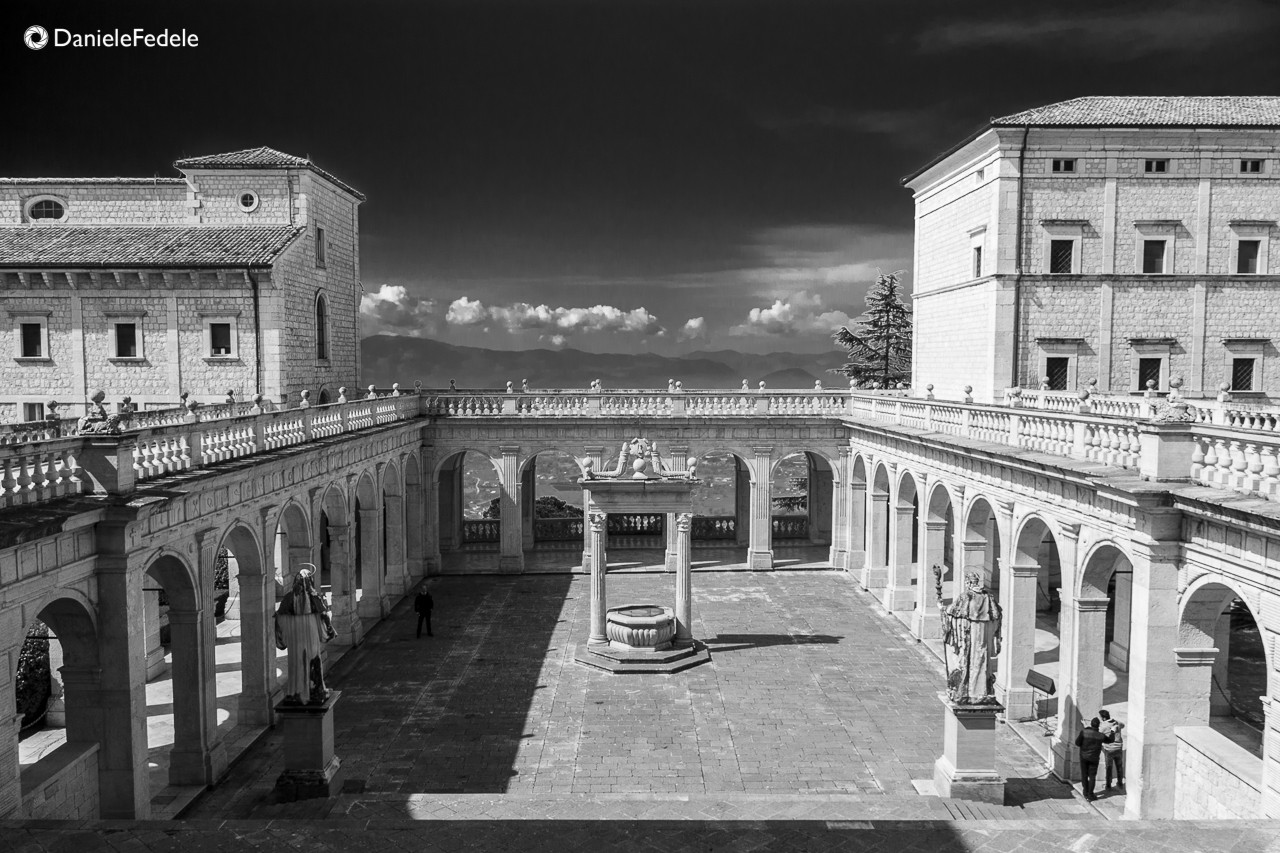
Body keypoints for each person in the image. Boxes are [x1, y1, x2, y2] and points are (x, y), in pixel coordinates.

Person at [274, 567, 337, 705]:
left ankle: (295, 692)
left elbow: (279, 618)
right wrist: (329, 631)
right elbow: (323, 617)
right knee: (313, 659)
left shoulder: (288, 598)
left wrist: (285, 633)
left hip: (294, 636)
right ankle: (314, 691)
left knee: (296, 661)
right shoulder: (314, 597)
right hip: (311, 633)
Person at [941, 571, 1003, 703]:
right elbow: (997, 615)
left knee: (968, 660)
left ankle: (968, 690)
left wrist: (943, 609)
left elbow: (952, 612)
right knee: (982, 659)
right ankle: (982, 690)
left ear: (968, 583)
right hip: (984, 636)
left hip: (971, 635)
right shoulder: (989, 597)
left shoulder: (966, 596)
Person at [1075, 716, 1114, 801]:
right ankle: (1090, 795)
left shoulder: (1084, 732)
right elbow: (1110, 740)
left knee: (1084, 775)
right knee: (1092, 776)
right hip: (1094, 758)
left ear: (1091, 724)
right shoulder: (1101, 736)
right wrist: (1113, 730)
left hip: (1084, 757)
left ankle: (1085, 791)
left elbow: (1077, 743)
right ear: (1098, 726)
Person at [1099, 710, 1125, 791]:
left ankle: (1108, 785)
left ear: (1103, 718)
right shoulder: (1117, 722)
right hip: (1119, 747)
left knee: (1109, 767)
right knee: (1119, 766)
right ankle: (1120, 783)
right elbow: (1123, 725)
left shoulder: (1104, 726)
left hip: (1109, 749)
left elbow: (1097, 733)